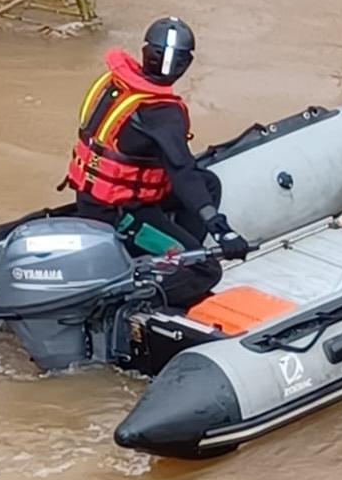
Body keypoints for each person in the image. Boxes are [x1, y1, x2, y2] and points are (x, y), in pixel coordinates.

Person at [62, 16, 249, 307]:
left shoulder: (117, 84)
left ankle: (178, 256)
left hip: (94, 197)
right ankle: (136, 296)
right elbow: (182, 172)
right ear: (185, 64)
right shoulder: (161, 112)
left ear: (146, 52)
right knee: (205, 270)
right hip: (119, 216)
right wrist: (222, 230)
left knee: (208, 184)